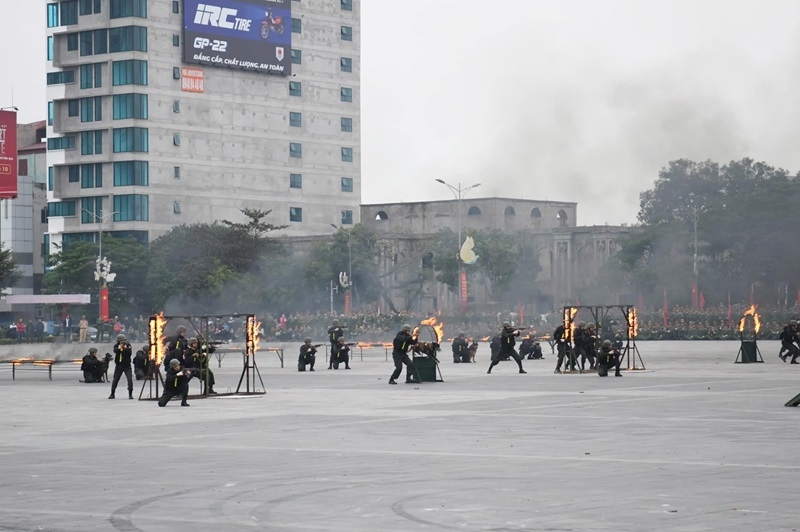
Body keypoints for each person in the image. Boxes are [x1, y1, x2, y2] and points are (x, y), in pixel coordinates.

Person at [108, 334, 134, 400]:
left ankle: (130, 394)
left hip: (127, 365)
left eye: (124, 340)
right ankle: (112, 393)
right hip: (119, 365)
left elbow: (129, 352)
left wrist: (125, 348)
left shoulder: (128, 345)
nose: (123, 342)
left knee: (129, 379)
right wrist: (120, 348)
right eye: (121, 341)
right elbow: (115, 350)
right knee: (115, 379)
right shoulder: (116, 345)